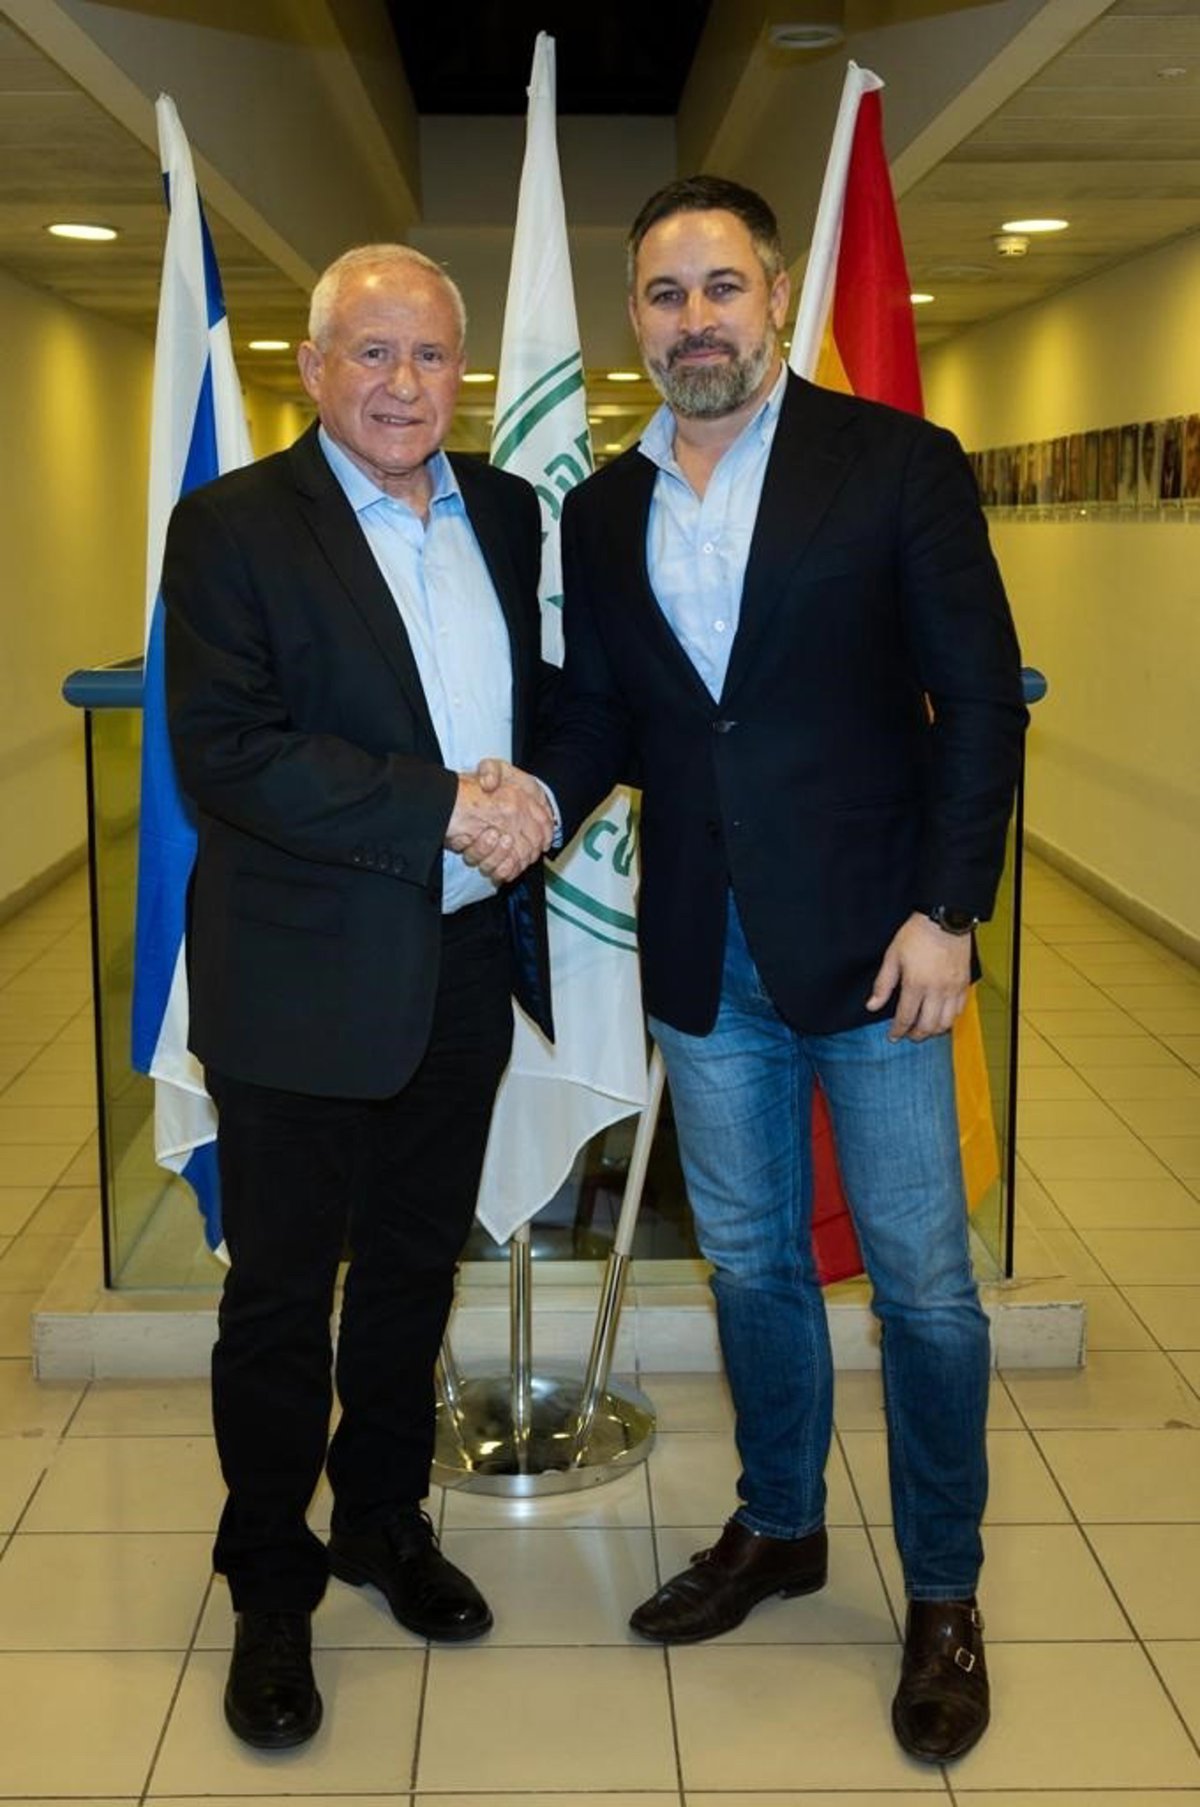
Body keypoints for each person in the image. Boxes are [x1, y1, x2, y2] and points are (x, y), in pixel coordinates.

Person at [476, 175, 1026, 1763]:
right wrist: (530, 802)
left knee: (925, 1289)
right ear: (634, 320)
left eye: (723, 286)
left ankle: (944, 1589)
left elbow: (980, 701)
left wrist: (950, 911)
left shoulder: (897, 464)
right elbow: (610, 715)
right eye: (665, 294)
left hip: (880, 952)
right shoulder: (604, 508)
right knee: (754, 1265)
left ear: (777, 295)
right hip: (705, 951)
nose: (696, 319)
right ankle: (781, 1523)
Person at [163, 243, 555, 1751]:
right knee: (278, 1298)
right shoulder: (232, 525)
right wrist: (447, 805)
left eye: (430, 356)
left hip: (461, 967)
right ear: (313, 367)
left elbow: (551, 701)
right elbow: (229, 753)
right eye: (371, 353)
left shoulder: (508, 513)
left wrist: (534, 798)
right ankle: (271, 1580)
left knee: (409, 1273)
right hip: (296, 977)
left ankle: (382, 1519)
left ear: (464, 374)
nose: (402, 384)